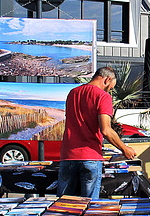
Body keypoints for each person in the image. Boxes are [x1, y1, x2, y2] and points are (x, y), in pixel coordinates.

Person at [58, 66, 137, 199]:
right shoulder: (103, 96)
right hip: (90, 156)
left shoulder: (73, 93)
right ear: (107, 80)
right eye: (110, 88)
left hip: (68, 155)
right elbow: (105, 130)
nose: (110, 92)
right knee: (89, 207)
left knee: (63, 205)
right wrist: (125, 148)